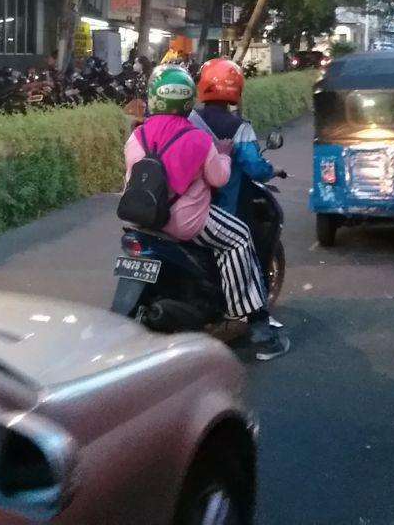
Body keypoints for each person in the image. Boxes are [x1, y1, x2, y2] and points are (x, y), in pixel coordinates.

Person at [124, 65, 290, 361]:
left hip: (141, 217)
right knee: (239, 238)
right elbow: (220, 179)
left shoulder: (138, 136)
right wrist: (223, 155)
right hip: (185, 222)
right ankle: (257, 326)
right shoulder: (200, 140)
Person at [189, 58, 280, 217]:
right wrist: (273, 170)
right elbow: (255, 168)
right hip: (224, 215)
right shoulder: (240, 128)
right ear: (237, 87)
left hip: (189, 211)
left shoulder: (189, 119)